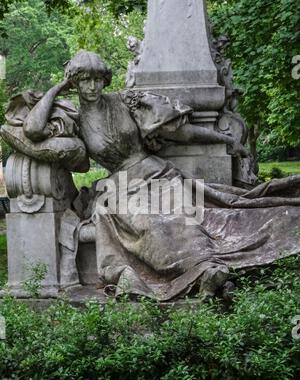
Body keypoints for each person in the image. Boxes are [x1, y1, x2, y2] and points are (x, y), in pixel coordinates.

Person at [4, 50, 300, 301]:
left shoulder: (126, 102)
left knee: (191, 214)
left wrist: (225, 140)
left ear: (104, 79)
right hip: (119, 187)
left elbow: (178, 133)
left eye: (96, 78)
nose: (92, 86)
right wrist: (58, 87)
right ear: (75, 82)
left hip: (156, 173)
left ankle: (207, 268)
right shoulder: (75, 120)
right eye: (83, 80)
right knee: (149, 221)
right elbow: (33, 130)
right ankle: (200, 272)